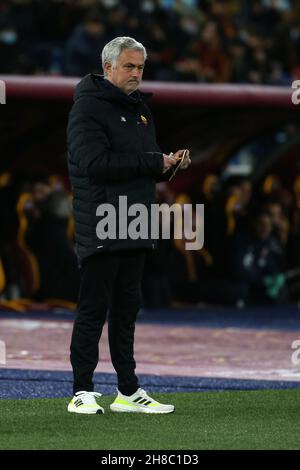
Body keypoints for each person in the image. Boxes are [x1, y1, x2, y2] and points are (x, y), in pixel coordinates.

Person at [66, 36, 191, 414]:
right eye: (129, 67)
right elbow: (95, 165)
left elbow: (140, 170)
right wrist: (155, 163)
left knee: (126, 311)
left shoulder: (140, 110)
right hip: (103, 220)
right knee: (94, 308)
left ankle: (127, 390)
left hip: (135, 222)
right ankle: (81, 391)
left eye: (140, 67)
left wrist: (166, 166)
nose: (137, 73)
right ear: (108, 68)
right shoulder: (87, 108)